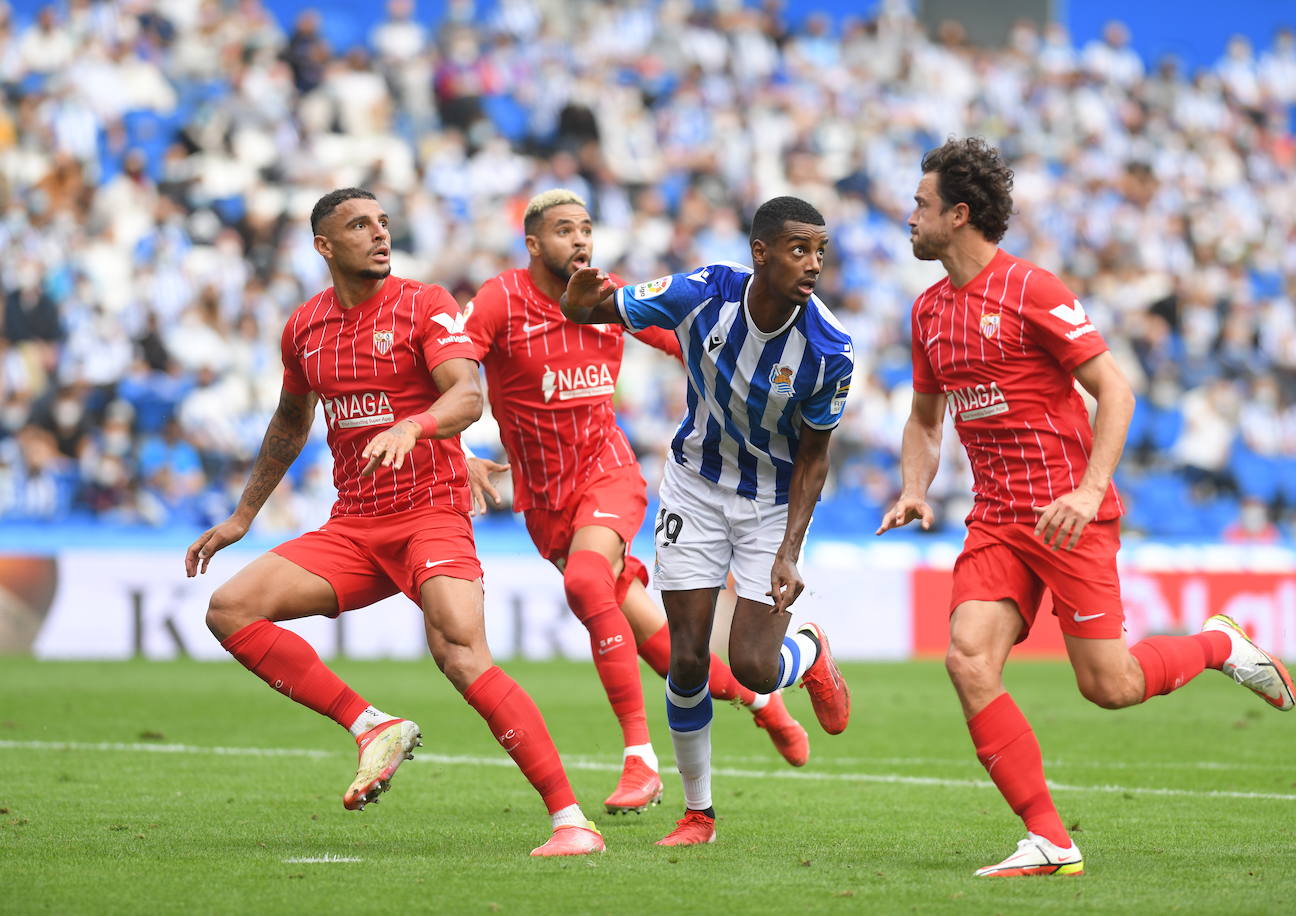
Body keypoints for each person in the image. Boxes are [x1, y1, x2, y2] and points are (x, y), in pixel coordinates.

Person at [877, 138, 1296, 877]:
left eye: (921, 204)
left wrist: (1090, 489)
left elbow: (1117, 390)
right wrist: (914, 486)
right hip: (997, 517)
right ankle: (1049, 838)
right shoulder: (927, 312)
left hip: (1069, 512)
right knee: (968, 660)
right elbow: (924, 417)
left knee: (1112, 687)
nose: (908, 215)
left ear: (959, 214)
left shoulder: (1034, 289)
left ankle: (1220, 645)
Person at [185, 188, 603, 857]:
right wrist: (243, 514)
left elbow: (468, 393)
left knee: (461, 656)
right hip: (353, 526)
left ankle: (572, 822)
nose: (379, 234)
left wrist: (417, 424)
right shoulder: (304, 328)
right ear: (325, 246)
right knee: (230, 609)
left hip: (430, 515)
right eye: (359, 225)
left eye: (382, 222)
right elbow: (290, 423)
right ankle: (370, 725)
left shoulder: (424, 304)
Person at [462, 190, 811, 815]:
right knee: (664, 640)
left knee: (587, 581)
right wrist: (456, 447)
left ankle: (640, 760)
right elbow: (452, 369)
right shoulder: (498, 301)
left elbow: (696, 342)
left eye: (587, 228)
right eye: (564, 230)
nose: (580, 240)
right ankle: (762, 701)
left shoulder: (610, 296)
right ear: (534, 244)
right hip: (544, 502)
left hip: (608, 472)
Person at [562, 195, 854, 847]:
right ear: (761, 253)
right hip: (694, 487)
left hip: (770, 504)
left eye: (820, 251)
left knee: (751, 667)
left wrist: (789, 552)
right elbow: (597, 309)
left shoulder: (829, 348)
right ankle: (699, 813)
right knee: (687, 660)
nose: (812, 264)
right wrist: (579, 300)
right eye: (799, 249)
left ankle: (806, 654)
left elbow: (814, 458)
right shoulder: (703, 291)